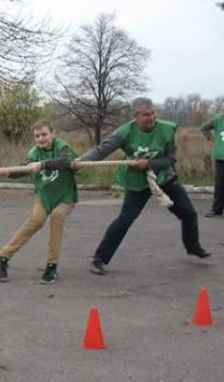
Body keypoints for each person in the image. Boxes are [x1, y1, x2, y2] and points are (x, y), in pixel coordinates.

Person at [76, 97, 211, 276]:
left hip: (164, 177)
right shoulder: (124, 132)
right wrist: (82, 161)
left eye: (153, 113)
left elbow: (170, 159)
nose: (151, 117)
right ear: (136, 116)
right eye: (146, 115)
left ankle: (193, 246)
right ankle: (99, 259)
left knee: (188, 213)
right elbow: (102, 150)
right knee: (125, 219)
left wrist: (149, 163)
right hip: (137, 182)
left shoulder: (167, 129)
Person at [0, 121, 80, 284]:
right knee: (36, 220)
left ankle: (51, 265)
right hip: (44, 196)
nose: (41, 139)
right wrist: (9, 173)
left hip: (65, 197)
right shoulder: (34, 152)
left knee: (57, 217)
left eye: (44, 134)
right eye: (37, 136)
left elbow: (65, 161)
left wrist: (42, 165)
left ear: (53, 133)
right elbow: (26, 168)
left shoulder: (62, 147)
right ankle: (3, 258)